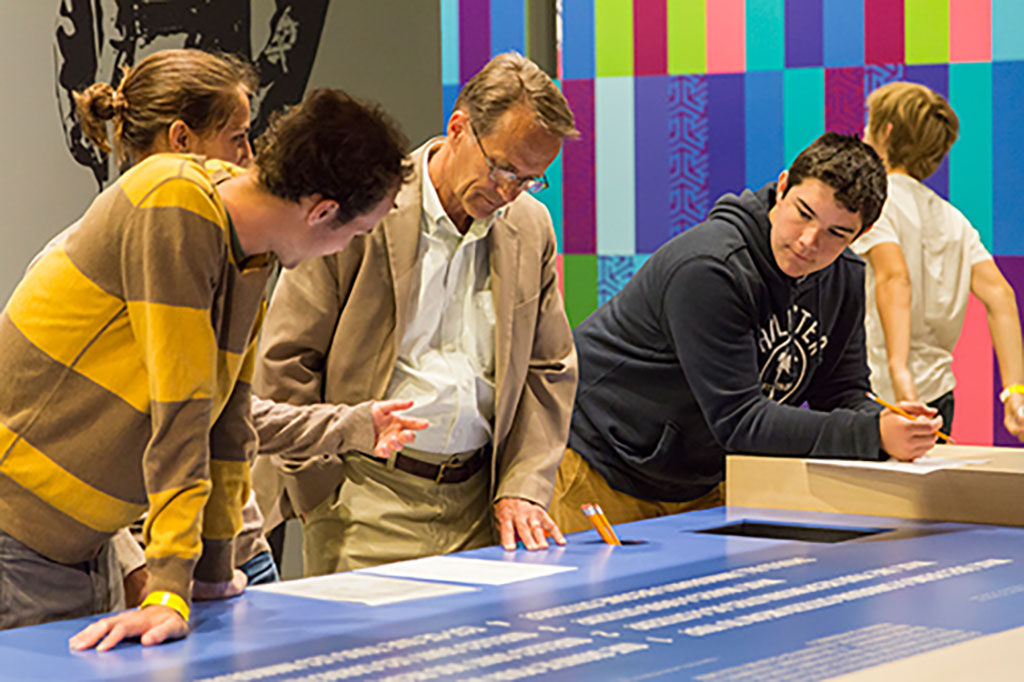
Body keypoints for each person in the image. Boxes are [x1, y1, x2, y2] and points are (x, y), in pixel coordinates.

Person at [0, 85, 410, 652]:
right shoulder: (175, 200)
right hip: (17, 536)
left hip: (77, 545)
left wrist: (211, 570)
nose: (343, 250)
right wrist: (169, 587)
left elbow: (229, 420)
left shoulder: (253, 252)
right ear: (322, 212)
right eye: (355, 234)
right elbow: (181, 412)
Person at [252, 52, 579, 575]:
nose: (508, 191)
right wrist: (317, 486)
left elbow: (549, 369)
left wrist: (523, 486)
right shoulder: (366, 207)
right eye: (502, 168)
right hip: (366, 499)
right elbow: (288, 356)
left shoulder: (530, 226)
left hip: (481, 505)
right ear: (458, 128)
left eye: (530, 179)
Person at [548, 132, 943, 535]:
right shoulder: (710, 268)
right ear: (783, 186)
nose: (810, 242)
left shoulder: (844, 280)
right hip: (599, 462)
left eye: (836, 233)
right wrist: (872, 434)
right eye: (804, 213)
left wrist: (886, 419)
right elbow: (739, 421)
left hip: (698, 476)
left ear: (862, 233)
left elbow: (840, 393)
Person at [854, 81, 1024, 440]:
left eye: (869, 124)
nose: (863, 132)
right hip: (938, 394)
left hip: (884, 392)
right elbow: (1001, 296)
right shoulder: (954, 220)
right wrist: (1015, 392)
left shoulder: (874, 202)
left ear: (885, 131)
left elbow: (893, 277)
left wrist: (900, 374)